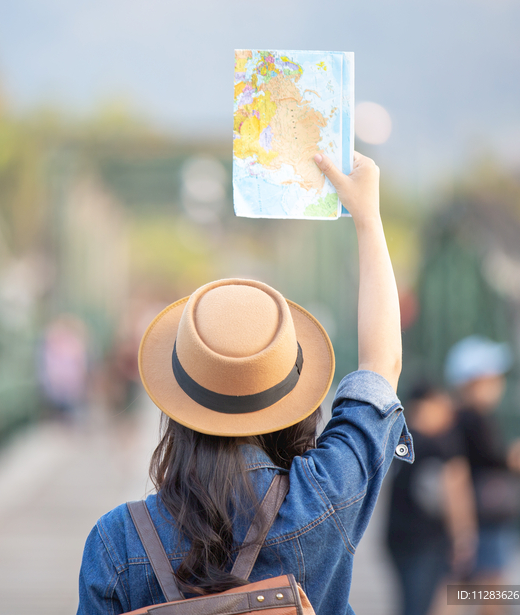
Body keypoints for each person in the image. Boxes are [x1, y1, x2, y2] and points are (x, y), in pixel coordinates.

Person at [76, 151, 411, 614]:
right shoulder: (324, 497)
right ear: (293, 397)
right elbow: (382, 366)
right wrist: (368, 219)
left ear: (178, 403)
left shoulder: (117, 541)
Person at [446, 336, 520, 615]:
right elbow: (494, 458)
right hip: (486, 513)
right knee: (492, 587)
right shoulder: (475, 418)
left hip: (473, 512)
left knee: (464, 589)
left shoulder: (459, 416)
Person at [386, 380, 476, 615]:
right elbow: (454, 492)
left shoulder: (399, 440)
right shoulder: (441, 445)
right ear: (426, 406)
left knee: (410, 603)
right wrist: (463, 538)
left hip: (396, 538)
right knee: (419, 606)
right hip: (426, 541)